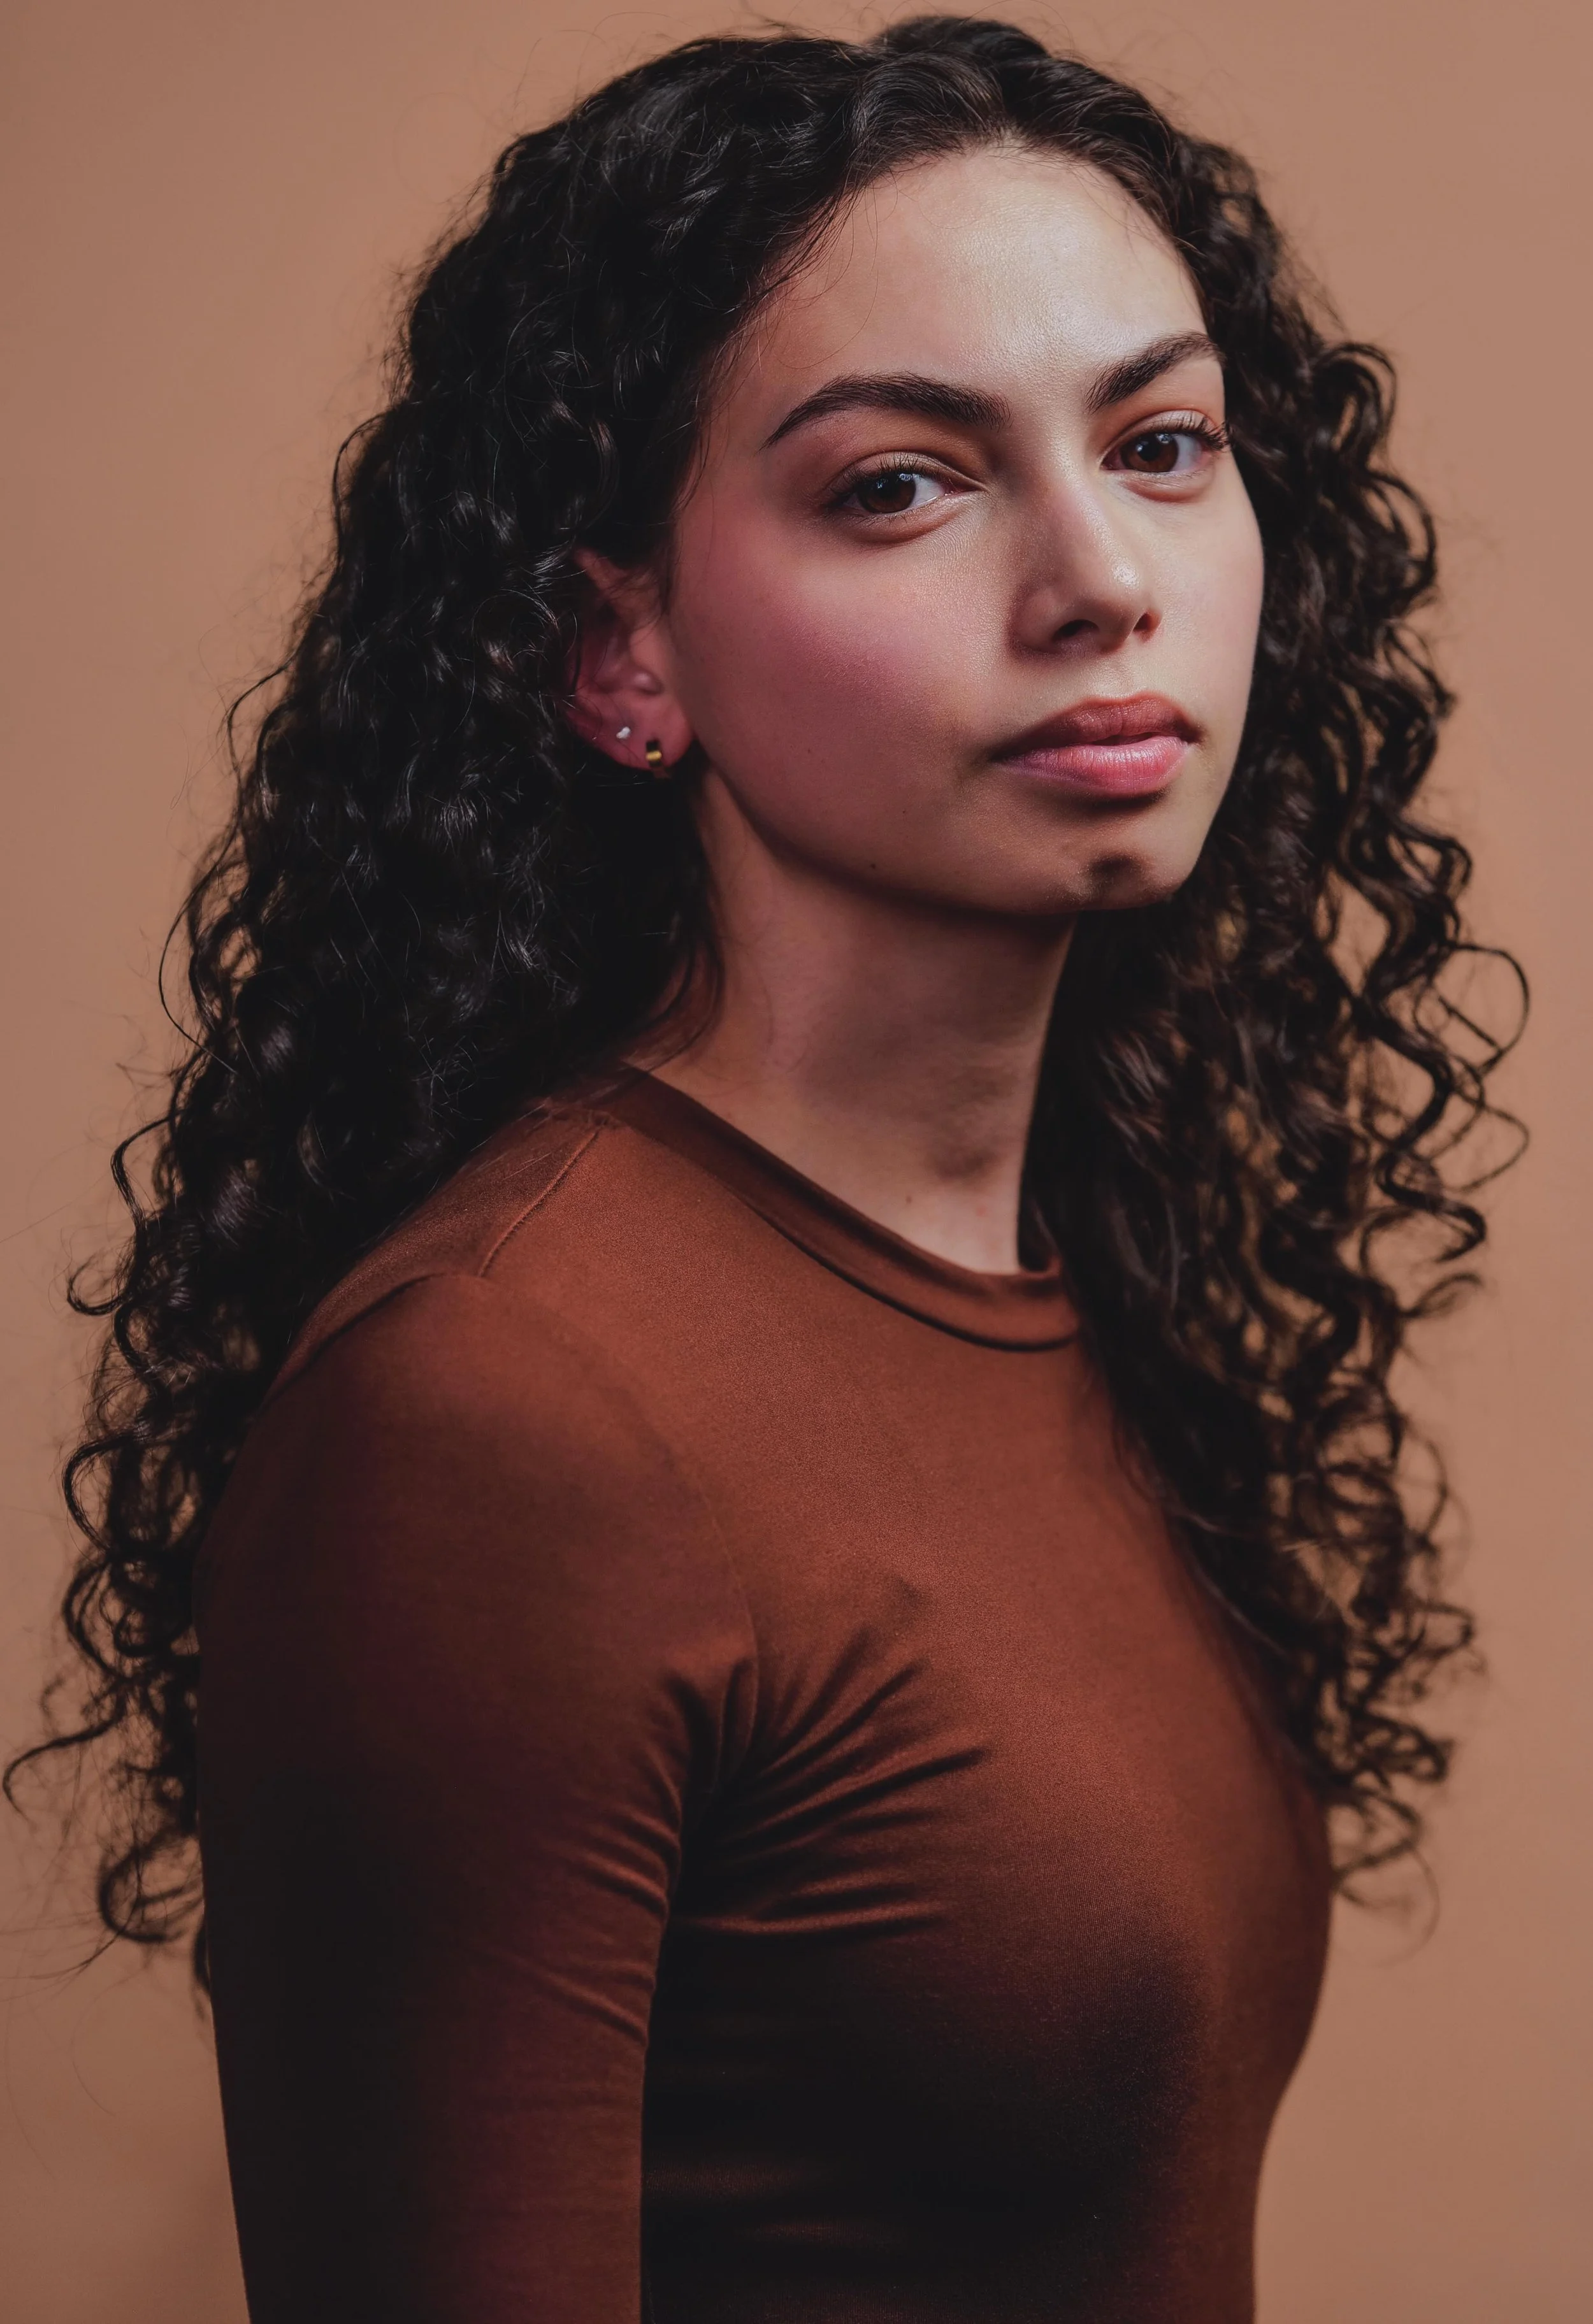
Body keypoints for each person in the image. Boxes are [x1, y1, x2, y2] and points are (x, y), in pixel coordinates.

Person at [13, 17, 1522, 2321]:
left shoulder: (1084, 1270)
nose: (1099, 575)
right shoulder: (502, 1412)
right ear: (624, 652)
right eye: (902, 485)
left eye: (1163, 443)